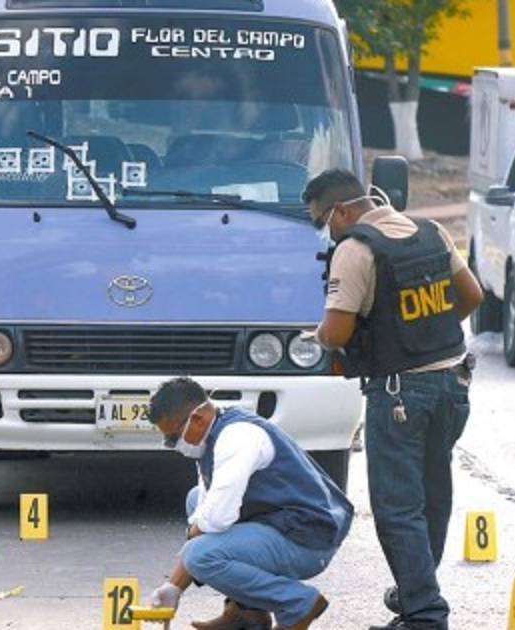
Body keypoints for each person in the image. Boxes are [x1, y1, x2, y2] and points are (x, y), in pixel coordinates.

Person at [303, 170, 482, 630]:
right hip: (453, 382)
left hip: (399, 391)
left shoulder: (356, 249)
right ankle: (416, 593)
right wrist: (426, 332)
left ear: (341, 211)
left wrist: (317, 336)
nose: (325, 231)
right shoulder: (431, 231)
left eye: (321, 220)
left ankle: (424, 613)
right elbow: (471, 296)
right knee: (433, 496)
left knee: (397, 508)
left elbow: (337, 331)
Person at [145, 377, 353, 630]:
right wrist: (173, 588)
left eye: (172, 438)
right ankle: (248, 613)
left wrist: (192, 535)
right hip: (285, 524)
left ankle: (298, 603)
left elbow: (215, 520)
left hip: (308, 540)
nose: (173, 446)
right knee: (195, 500)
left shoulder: (237, 438)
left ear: (197, 419)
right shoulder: (213, 432)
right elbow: (205, 508)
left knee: (200, 555)